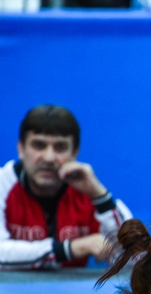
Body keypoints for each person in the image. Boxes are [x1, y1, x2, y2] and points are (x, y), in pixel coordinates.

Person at [0, 105, 133, 270]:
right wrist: (74, 248)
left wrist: (100, 196)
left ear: (75, 153)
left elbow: (135, 259)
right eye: (39, 145)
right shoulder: (3, 183)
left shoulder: (86, 190)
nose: (49, 157)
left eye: (60, 147)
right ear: (21, 149)